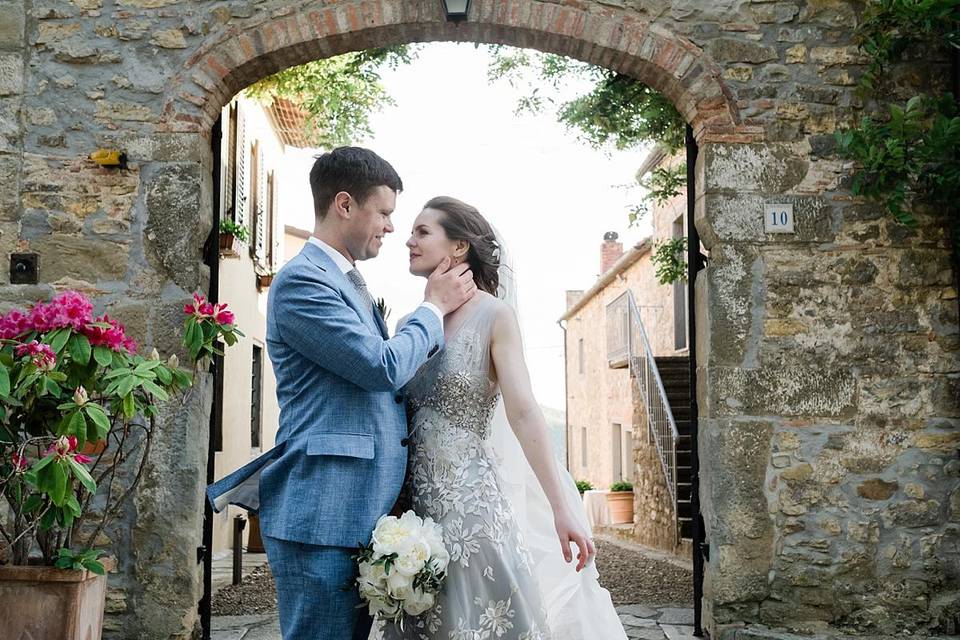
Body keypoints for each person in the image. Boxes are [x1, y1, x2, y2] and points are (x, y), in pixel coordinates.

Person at [207, 148, 477, 640]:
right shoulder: (302, 282)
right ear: (346, 205)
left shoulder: (345, 280)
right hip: (322, 512)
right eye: (385, 213)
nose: (391, 228)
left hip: (356, 511)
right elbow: (382, 367)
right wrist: (433, 309)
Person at [377, 196, 627, 639]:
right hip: (416, 519)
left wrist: (561, 507)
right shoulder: (410, 327)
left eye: (422, 232)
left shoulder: (494, 315)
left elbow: (525, 412)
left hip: (473, 512)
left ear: (458, 248)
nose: (407, 240)